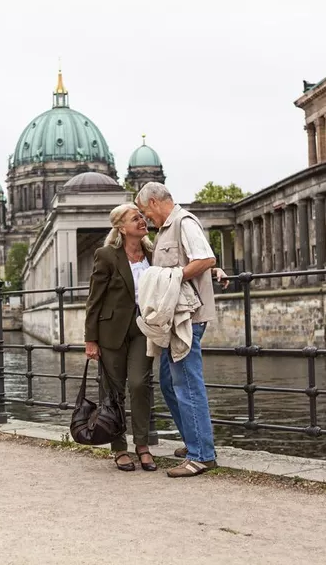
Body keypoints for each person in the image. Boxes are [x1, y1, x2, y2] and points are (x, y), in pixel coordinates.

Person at [134, 182, 219, 478]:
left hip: (188, 318)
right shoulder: (166, 229)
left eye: (146, 212)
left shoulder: (183, 222)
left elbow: (206, 258)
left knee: (186, 383)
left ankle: (201, 456)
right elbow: (200, 260)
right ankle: (194, 441)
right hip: (176, 318)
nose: (147, 219)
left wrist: (174, 277)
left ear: (156, 202)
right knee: (169, 382)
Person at [84, 203, 157, 472]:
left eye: (141, 217)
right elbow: (94, 300)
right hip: (111, 331)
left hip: (143, 329)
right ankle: (119, 448)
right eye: (135, 218)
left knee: (139, 384)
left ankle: (143, 445)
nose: (141, 221)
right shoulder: (106, 255)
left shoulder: (152, 253)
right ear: (121, 227)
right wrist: (90, 339)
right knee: (112, 391)